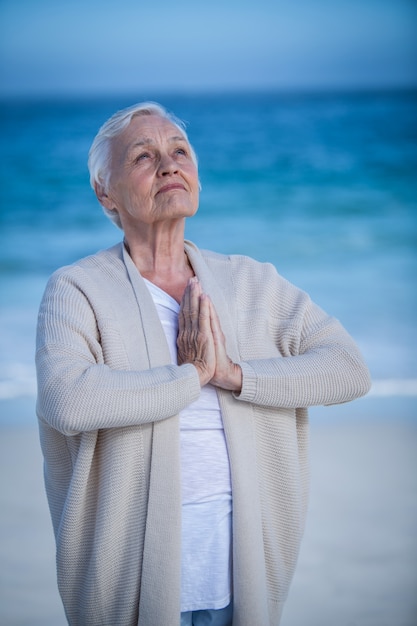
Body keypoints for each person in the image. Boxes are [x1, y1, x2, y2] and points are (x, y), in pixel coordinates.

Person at [35, 101, 371, 626]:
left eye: (180, 151)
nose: (169, 165)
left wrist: (233, 375)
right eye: (143, 157)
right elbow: (67, 398)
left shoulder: (251, 281)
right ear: (106, 194)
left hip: (240, 579)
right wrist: (190, 376)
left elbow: (348, 368)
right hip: (129, 586)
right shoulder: (77, 289)